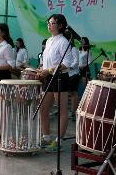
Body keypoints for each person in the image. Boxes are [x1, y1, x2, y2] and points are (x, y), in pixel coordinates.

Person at [38, 14, 72, 151]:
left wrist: (49, 70)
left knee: (62, 110)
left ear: (60, 26)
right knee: (43, 109)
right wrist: (42, 69)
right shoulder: (49, 41)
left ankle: (59, 141)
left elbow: (67, 63)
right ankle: (46, 137)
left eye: (52, 23)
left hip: (60, 78)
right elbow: (48, 61)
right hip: (48, 78)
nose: (49, 25)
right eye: (49, 22)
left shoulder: (63, 41)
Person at [69, 39, 79, 121]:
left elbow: (76, 61)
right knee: (69, 94)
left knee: (73, 93)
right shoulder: (66, 49)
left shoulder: (73, 49)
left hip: (74, 74)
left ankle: (74, 112)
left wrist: (69, 67)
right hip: (67, 74)